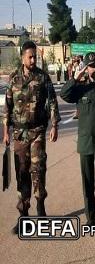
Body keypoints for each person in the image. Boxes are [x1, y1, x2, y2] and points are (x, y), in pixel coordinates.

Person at [3, 41, 60, 234]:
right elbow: (7, 108)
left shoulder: (42, 77)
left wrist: (55, 125)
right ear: (22, 57)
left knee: (39, 169)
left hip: (37, 132)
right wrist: (5, 132)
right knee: (22, 172)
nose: (34, 59)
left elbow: (52, 101)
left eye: (35, 56)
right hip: (19, 134)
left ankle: (41, 209)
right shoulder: (13, 78)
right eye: (30, 56)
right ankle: (23, 216)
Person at [60, 52, 95, 226]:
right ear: (85, 67)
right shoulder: (79, 87)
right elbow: (64, 95)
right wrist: (74, 79)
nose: (94, 68)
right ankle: (90, 218)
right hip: (85, 141)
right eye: (90, 65)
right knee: (88, 182)